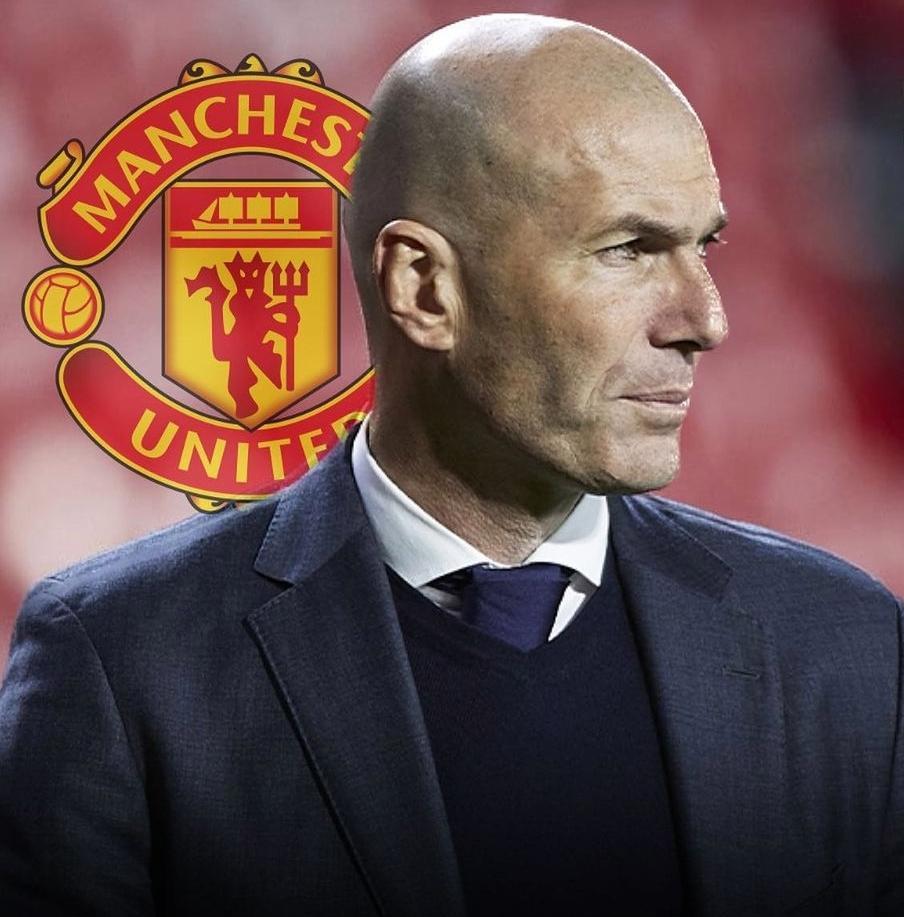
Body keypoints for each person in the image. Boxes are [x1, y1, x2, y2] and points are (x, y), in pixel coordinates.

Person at [0, 13, 901, 917]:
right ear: (424, 288)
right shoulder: (123, 663)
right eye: (627, 251)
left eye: (703, 247)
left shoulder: (841, 644)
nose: (705, 320)